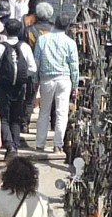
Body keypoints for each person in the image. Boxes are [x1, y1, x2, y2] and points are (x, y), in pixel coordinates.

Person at [33, 9, 82, 154]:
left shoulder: (42, 39)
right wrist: (75, 84)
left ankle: (40, 144)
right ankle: (58, 145)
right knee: (62, 112)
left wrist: (36, 79)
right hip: (64, 78)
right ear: (67, 27)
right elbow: (74, 65)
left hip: (46, 78)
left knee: (44, 112)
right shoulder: (70, 43)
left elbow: (37, 61)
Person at [0, 17, 36, 151]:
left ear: (5, 30)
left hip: (3, 86)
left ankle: (9, 144)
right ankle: (16, 144)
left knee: (4, 116)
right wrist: (23, 76)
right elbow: (32, 68)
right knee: (16, 117)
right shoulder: (25, 47)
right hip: (20, 86)